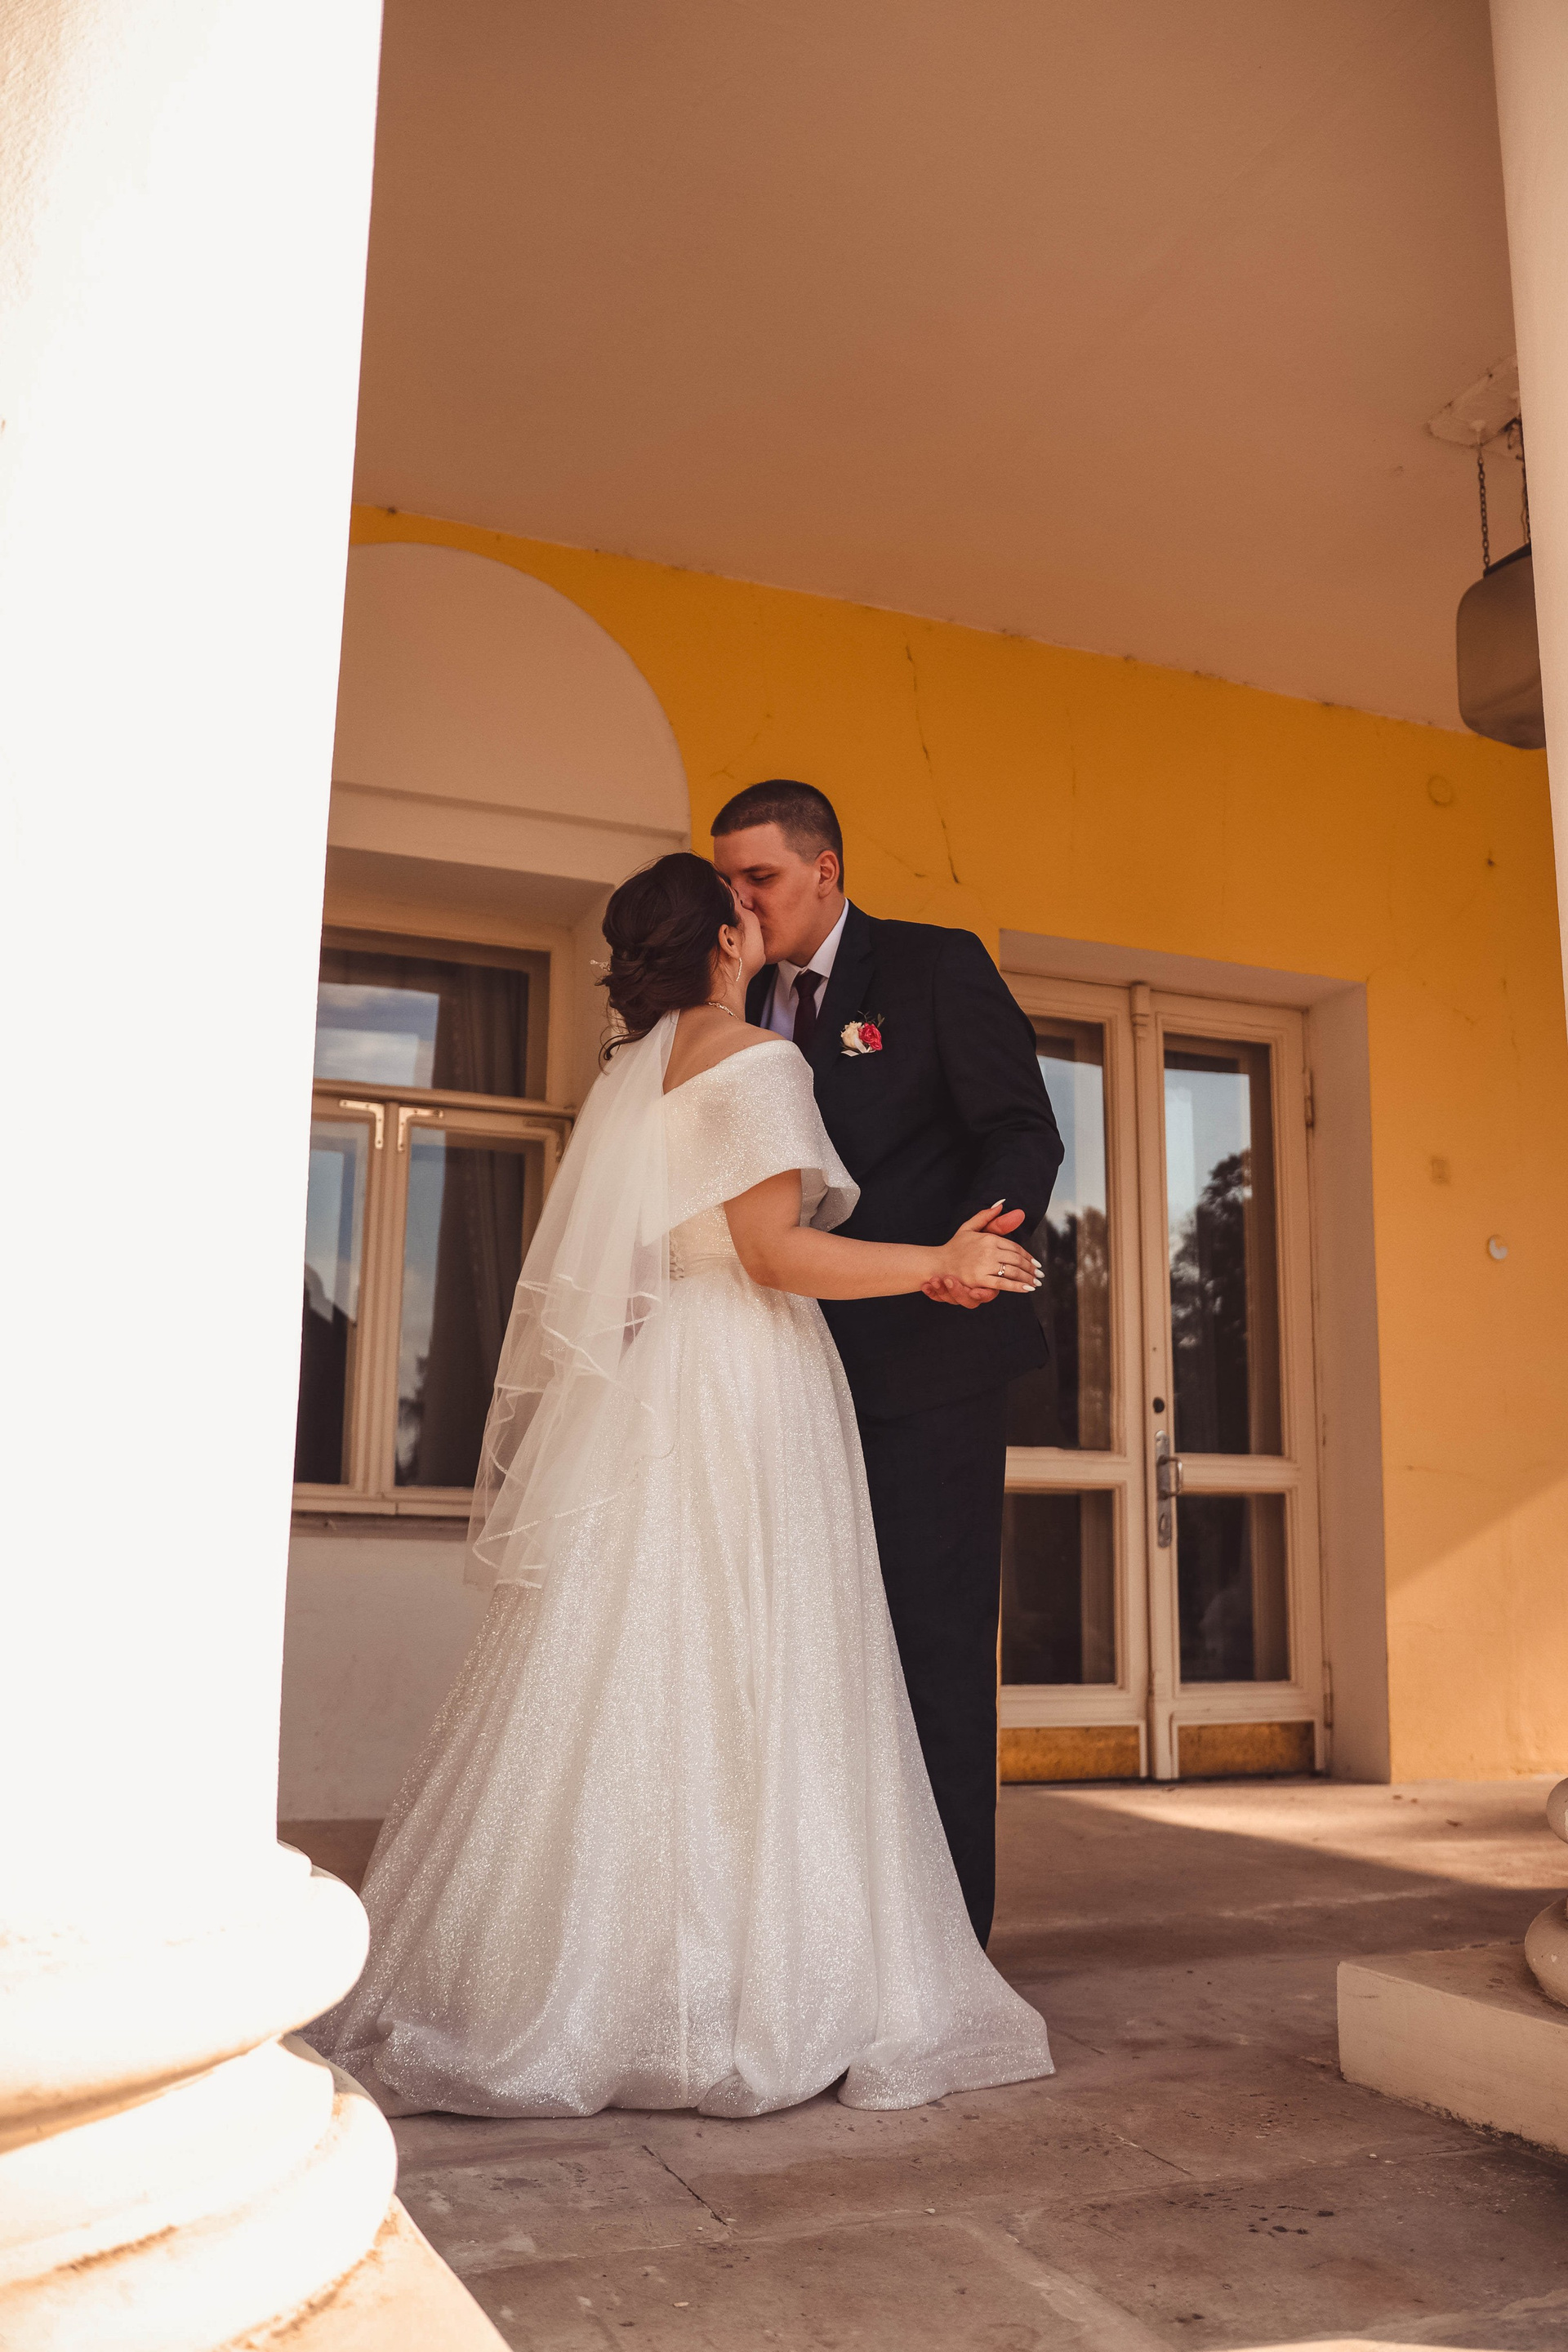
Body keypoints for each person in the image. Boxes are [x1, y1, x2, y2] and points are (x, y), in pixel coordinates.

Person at [307, 852, 1053, 2119]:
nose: (755, 917)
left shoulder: (634, 1076)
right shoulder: (756, 1061)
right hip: (748, 1378)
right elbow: (774, 1255)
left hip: (659, 1384)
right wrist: (940, 1259)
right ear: (721, 942)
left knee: (639, 1652)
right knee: (761, 1652)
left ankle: (597, 1972)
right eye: (739, 907)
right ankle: (747, 1984)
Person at [713, 782, 1063, 1947]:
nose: (741, 903)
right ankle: (827, 1939)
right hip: (779, 1371)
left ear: (825, 870)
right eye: (727, 882)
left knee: (930, 1652)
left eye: (760, 878)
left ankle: (948, 1947)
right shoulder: (732, 1005)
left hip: (929, 1368)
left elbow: (1022, 1128)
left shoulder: (932, 966)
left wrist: (979, 1250)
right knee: (804, 1654)